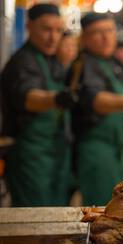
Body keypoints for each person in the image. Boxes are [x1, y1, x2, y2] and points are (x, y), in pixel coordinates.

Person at [69, 13, 123, 206]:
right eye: (97, 33)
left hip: (117, 150)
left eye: (109, 31)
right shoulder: (84, 64)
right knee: (104, 211)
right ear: (84, 38)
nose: (105, 37)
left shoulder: (110, 62)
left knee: (121, 207)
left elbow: (118, 101)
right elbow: (95, 100)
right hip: (98, 153)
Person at [0, 3, 75, 206]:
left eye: (58, 30)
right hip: (30, 158)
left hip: (56, 155)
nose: (53, 37)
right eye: (46, 29)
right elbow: (29, 97)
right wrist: (56, 98)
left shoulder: (51, 60)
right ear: (29, 26)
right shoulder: (22, 61)